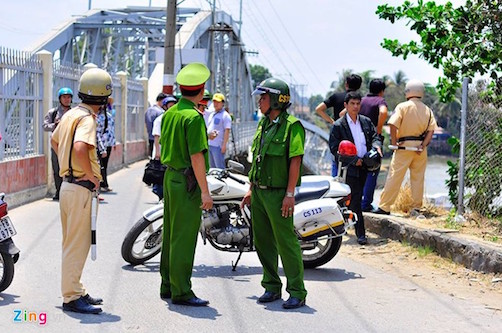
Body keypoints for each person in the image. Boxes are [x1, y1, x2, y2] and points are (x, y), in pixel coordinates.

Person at [240, 78, 307, 309]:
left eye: (264, 97)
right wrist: (250, 189)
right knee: (263, 242)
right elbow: (257, 159)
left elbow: (295, 160)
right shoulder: (264, 124)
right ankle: (271, 286)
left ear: (278, 99)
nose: (260, 101)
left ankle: (297, 291)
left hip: (279, 194)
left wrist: (290, 194)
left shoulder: (292, 126)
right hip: (259, 192)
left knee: (286, 242)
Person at [51, 68, 113, 314]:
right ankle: (72, 296)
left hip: (68, 185)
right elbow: (79, 148)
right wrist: (89, 175)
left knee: (72, 243)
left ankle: (76, 289)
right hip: (79, 189)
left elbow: (55, 141)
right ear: (101, 95)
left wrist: (69, 166)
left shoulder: (71, 114)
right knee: (78, 245)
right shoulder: (87, 118)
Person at [159, 62, 213, 306]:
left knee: (171, 232)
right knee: (184, 236)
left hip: (170, 176)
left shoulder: (170, 113)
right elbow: (196, 157)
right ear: (201, 91)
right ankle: (182, 291)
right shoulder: (194, 118)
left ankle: (167, 285)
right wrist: (205, 192)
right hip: (187, 181)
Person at [374, 80, 437, 215]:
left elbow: (392, 124)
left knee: (395, 176)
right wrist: (423, 145)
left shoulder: (402, 106)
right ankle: (416, 208)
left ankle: (385, 207)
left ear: (408, 92)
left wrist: (395, 142)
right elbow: (431, 131)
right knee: (418, 178)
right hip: (420, 148)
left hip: (404, 146)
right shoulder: (428, 110)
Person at [329, 91, 382, 245]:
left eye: (358, 104)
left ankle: (342, 225)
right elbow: (334, 149)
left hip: (366, 164)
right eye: (352, 103)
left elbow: (375, 137)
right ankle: (361, 234)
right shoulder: (339, 125)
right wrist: (353, 160)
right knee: (356, 199)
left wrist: (377, 147)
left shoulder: (366, 122)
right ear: (345, 105)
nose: (355, 106)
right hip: (349, 168)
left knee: (354, 199)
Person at [315, 74, 362, 176]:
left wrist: (332, 121)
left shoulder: (336, 96)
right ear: (359, 86)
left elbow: (319, 109)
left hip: (339, 135)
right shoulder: (359, 101)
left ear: (346, 84)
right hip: (356, 137)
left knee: (337, 162)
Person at [359, 79, 388, 211]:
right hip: (373, 141)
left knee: (359, 170)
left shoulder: (361, 100)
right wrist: (379, 128)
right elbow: (383, 112)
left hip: (358, 139)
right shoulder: (380, 101)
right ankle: (366, 204)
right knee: (372, 169)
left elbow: (344, 113)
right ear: (382, 91)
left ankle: (357, 202)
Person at [43, 87, 73, 200]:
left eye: (69, 97)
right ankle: (59, 191)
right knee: (57, 169)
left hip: (70, 145)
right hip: (56, 145)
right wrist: (55, 125)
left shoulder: (74, 112)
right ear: (60, 99)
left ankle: (69, 192)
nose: (66, 99)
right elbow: (45, 126)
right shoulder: (53, 112)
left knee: (70, 169)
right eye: (64, 97)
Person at [151, 95, 177, 200]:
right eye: (170, 106)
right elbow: (157, 137)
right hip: (161, 153)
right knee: (160, 177)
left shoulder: (175, 118)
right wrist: (158, 153)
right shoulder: (159, 120)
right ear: (165, 107)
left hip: (171, 154)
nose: (172, 108)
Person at [205, 93, 232, 169]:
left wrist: (224, 145)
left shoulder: (225, 115)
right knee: (212, 168)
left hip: (218, 146)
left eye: (218, 102)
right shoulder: (212, 114)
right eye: (214, 102)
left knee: (219, 167)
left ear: (223, 103)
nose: (215, 104)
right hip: (210, 144)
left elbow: (227, 130)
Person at [96, 96, 116, 193]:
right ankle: (102, 184)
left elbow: (111, 130)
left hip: (108, 143)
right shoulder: (97, 117)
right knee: (101, 165)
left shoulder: (109, 115)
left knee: (105, 165)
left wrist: (113, 142)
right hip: (101, 144)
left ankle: (104, 183)